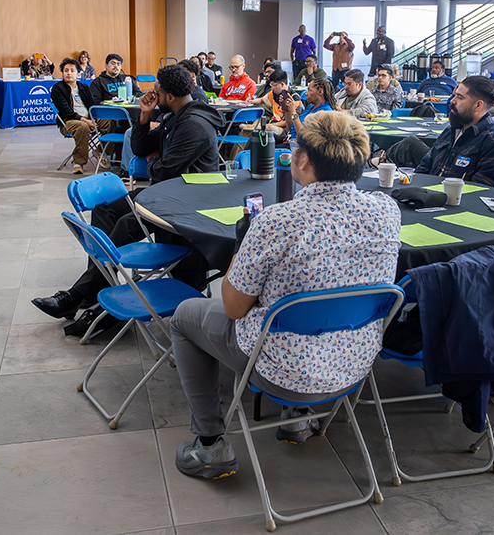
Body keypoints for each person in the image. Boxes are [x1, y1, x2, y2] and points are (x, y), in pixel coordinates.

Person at [170, 110, 401, 478]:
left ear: (304, 160)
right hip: (353, 366)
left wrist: (241, 249)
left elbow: (232, 307)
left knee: (185, 315)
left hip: (280, 370)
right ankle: (297, 419)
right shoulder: (387, 211)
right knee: (321, 302)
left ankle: (210, 444)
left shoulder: (277, 221)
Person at [33, 65, 225, 319]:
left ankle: (79, 294)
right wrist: (144, 117)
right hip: (165, 193)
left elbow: (163, 171)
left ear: (170, 97)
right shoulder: (175, 117)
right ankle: (98, 286)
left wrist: (154, 161)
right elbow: (141, 148)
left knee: (125, 224)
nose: (151, 94)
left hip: (184, 201)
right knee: (106, 208)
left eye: (157, 90)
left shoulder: (195, 125)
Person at [384, 77, 494, 187]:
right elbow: (423, 169)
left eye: (460, 97)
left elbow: (480, 193)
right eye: (454, 95)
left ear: (478, 105)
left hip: (455, 209)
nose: (452, 101)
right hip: (427, 197)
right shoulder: (452, 130)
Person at [50, 58, 97, 175]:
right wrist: (87, 122)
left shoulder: (84, 87)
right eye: (66, 70)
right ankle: (79, 162)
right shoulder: (57, 89)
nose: (69, 73)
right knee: (82, 127)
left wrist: (93, 120)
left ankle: (101, 151)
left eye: (72, 70)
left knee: (110, 121)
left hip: (89, 119)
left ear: (78, 74)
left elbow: (93, 105)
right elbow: (66, 111)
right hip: (69, 122)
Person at [280, 77, 337, 146]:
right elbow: (290, 128)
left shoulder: (325, 112)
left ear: (320, 92)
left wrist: (293, 113)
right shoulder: (311, 107)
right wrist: (287, 110)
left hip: (302, 149)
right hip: (292, 143)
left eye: (309, 90)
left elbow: (304, 136)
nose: (306, 94)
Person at [251, 70, 300, 139]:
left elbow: (288, 122)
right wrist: (251, 101)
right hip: (272, 122)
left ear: (282, 84)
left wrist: (268, 125)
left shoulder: (294, 98)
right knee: (255, 123)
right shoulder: (274, 93)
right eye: (271, 85)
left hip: (283, 129)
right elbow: (262, 100)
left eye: (274, 85)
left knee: (257, 130)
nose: (272, 88)